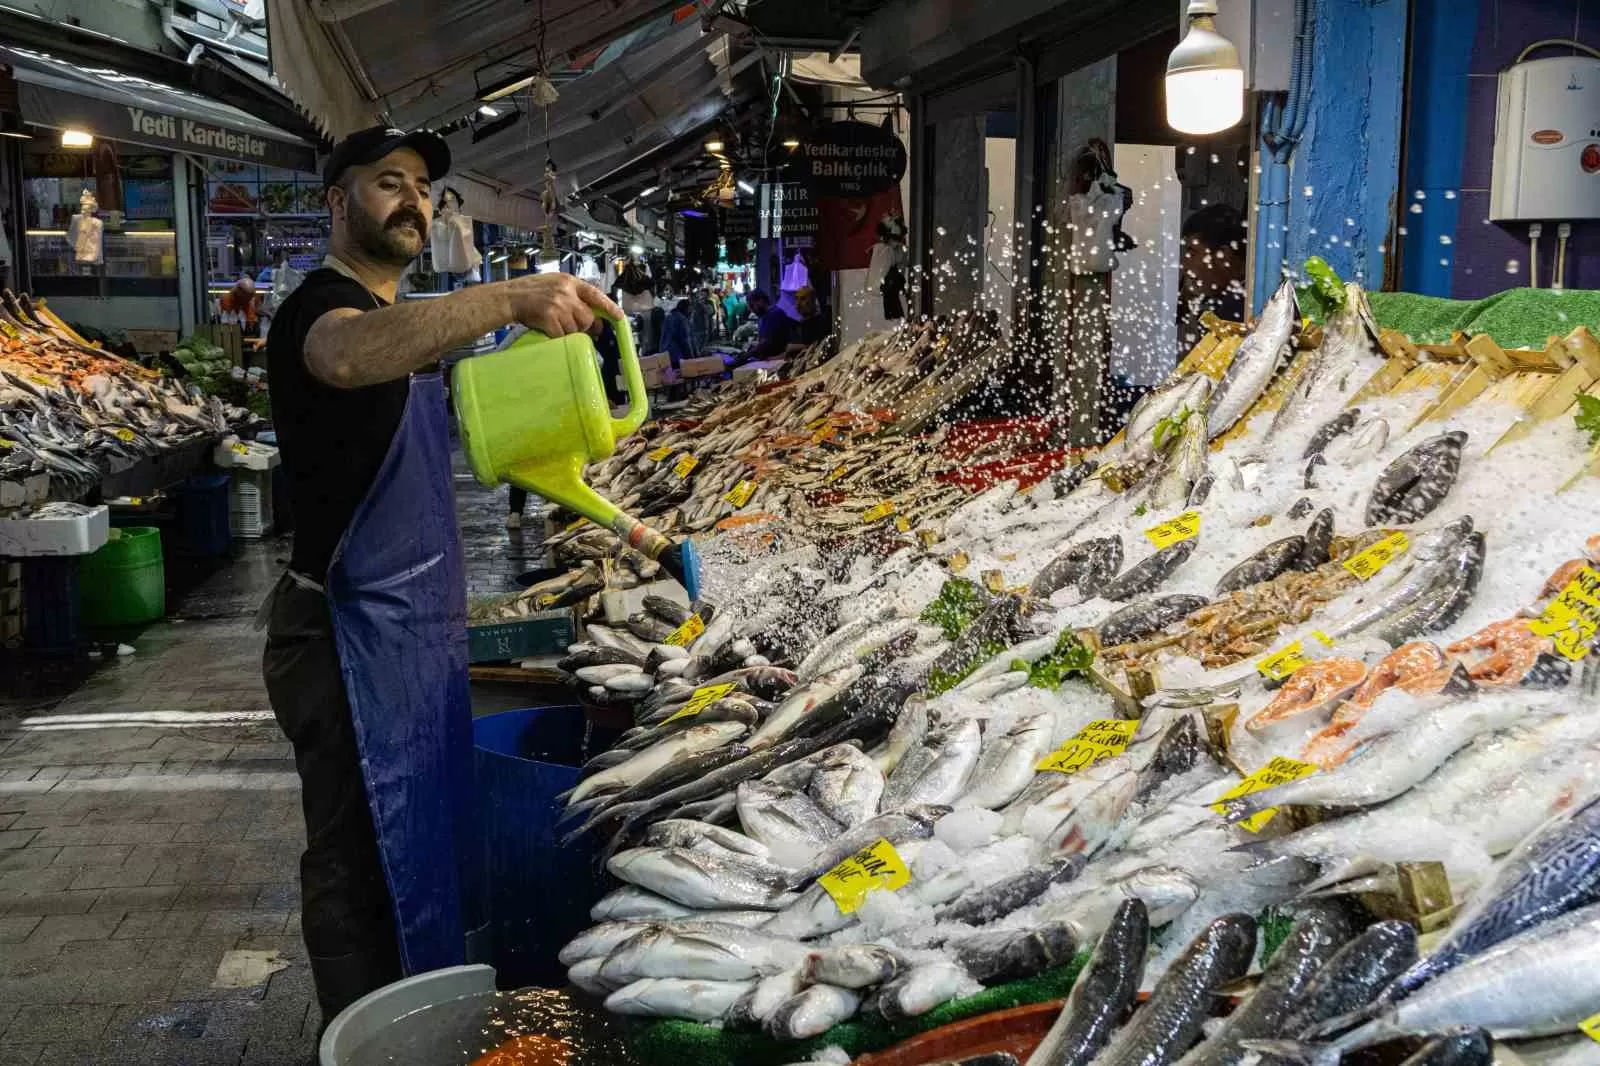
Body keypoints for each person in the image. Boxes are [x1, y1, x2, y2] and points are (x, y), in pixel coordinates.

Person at [263, 125, 621, 1024]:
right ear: (338, 203)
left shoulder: (400, 319)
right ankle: (360, 1029)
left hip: (409, 634)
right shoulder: (322, 307)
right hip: (342, 636)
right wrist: (509, 296)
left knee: (415, 842)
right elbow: (345, 355)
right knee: (352, 856)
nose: (413, 201)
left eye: (423, 186)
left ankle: (414, 1015)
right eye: (388, 182)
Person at [1177, 203, 1247, 355]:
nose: (1185, 264)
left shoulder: (1240, 305)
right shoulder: (1220, 300)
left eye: (1192, 252)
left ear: (1224, 256)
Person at [738, 288, 791, 364]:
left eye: (752, 306)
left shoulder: (774, 314)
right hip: (769, 359)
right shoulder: (764, 316)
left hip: (776, 360)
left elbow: (765, 343)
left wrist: (747, 355)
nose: (752, 310)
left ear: (761, 300)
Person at [661, 298, 694, 367]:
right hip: (677, 356)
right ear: (686, 309)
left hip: (665, 354)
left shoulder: (668, 317)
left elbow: (663, 336)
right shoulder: (682, 319)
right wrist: (691, 357)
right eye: (690, 309)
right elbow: (685, 341)